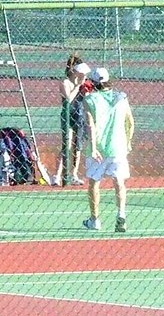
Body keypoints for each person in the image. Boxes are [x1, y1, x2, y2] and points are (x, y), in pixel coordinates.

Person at [81, 67, 134, 233]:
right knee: (118, 181)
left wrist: (94, 148)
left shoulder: (90, 100)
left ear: (94, 83)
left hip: (100, 149)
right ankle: (121, 215)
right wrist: (128, 142)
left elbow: (90, 124)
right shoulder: (121, 98)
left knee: (94, 182)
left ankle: (95, 219)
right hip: (118, 147)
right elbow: (130, 122)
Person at [56, 54, 93, 186]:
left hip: (80, 116)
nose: (84, 76)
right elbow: (68, 101)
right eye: (82, 73)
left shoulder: (84, 84)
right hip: (68, 116)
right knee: (66, 144)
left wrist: (86, 91)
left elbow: (87, 102)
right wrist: (77, 87)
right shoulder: (65, 82)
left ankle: (74, 174)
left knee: (77, 147)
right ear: (75, 72)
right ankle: (57, 175)